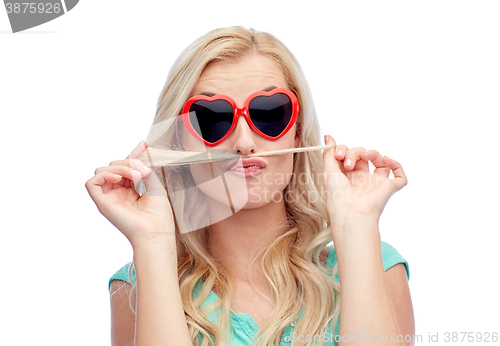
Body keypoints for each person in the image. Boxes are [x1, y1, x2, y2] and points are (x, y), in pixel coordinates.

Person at [86, 26, 414, 346]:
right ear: (178, 142)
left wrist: (356, 226)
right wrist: (153, 241)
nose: (243, 143)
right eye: (213, 118)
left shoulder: (376, 263)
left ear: (297, 131)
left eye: (269, 113)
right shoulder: (135, 284)